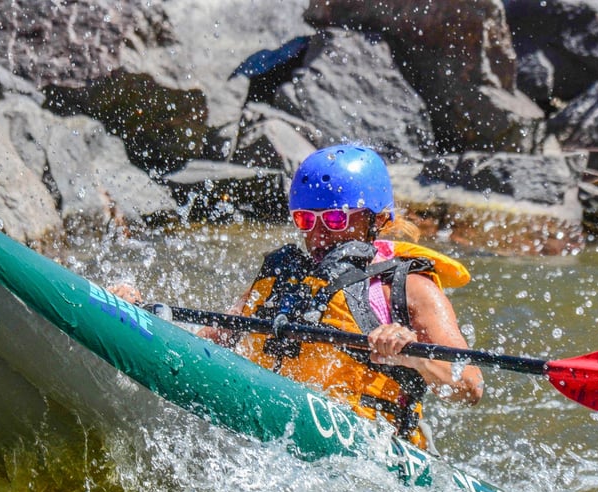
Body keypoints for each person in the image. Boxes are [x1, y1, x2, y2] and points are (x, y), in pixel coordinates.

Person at [201, 144, 483, 449]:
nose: (319, 235)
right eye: (306, 220)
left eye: (336, 220)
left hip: (370, 450)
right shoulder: (284, 277)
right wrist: (146, 314)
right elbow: (209, 338)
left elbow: (470, 385)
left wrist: (413, 355)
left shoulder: (410, 287)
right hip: (272, 430)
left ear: (377, 220)